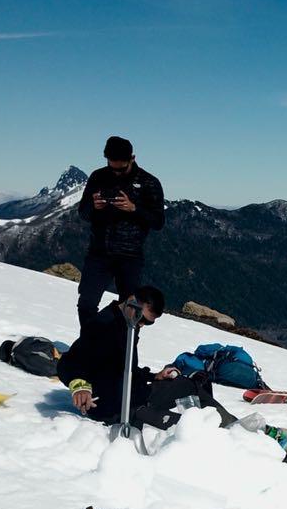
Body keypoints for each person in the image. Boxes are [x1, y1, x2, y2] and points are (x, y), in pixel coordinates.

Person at [57, 286, 238, 430]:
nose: (142, 324)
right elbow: (67, 364)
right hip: (116, 409)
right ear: (131, 301)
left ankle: (235, 425)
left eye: (148, 323)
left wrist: (154, 376)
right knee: (190, 427)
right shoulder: (101, 325)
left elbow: (126, 369)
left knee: (191, 385)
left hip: (136, 395)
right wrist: (80, 385)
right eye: (142, 318)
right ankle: (225, 433)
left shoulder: (130, 324)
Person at [75, 135, 165, 328]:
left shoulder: (149, 183)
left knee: (132, 311)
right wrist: (94, 206)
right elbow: (83, 212)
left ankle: (125, 354)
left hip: (130, 257)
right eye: (111, 167)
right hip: (99, 253)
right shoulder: (98, 177)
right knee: (86, 304)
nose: (116, 173)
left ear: (132, 158)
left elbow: (158, 221)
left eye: (121, 168)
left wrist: (134, 209)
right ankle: (88, 348)